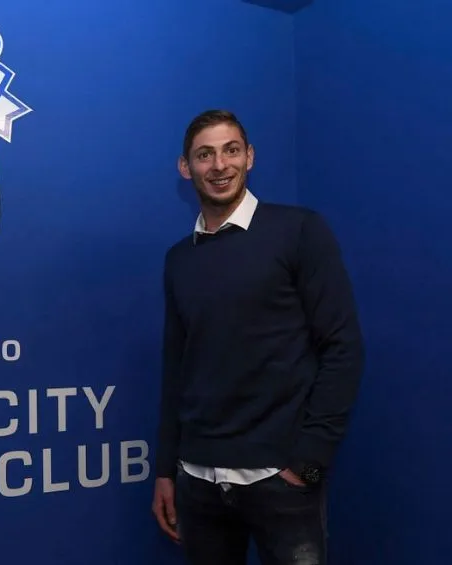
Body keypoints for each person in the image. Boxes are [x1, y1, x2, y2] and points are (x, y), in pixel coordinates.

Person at [150, 109, 365, 565]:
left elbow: (343, 348)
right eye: (204, 155)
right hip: (197, 481)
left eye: (231, 150)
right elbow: (176, 368)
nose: (219, 165)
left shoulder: (299, 231)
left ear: (249, 156)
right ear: (185, 167)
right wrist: (166, 470)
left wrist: (309, 465)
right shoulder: (179, 260)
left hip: (282, 482)